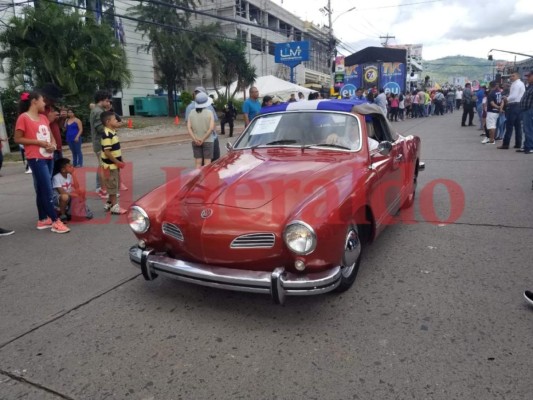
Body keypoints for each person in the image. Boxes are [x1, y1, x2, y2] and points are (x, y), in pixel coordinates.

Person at [13, 91, 70, 233]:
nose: (44, 103)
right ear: (34, 102)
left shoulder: (44, 118)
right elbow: (17, 139)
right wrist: (38, 142)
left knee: (41, 189)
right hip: (36, 158)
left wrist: (52, 145)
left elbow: (51, 137)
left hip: (48, 157)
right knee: (46, 189)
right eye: (42, 101)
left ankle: (43, 219)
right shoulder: (23, 118)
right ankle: (55, 221)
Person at [100, 111, 127, 214]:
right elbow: (107, 152)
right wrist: (117, 162)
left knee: (113, 184)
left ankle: (109, 203)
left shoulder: (112, 131)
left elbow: (115, 150)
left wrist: (121, 160)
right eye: (115, 119)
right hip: (109, 166)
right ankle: (115, 207)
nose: (117, 121)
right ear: (108, 122)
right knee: (113, 185)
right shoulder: (107, 134)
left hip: (113, 164)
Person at [185, 87, 220, 162]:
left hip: (206, 138)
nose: (197, 94)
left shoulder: (208, 106)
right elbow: (189, 125)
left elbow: (188, 126)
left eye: (199, 93)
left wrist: (195, 139)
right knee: (208, 162)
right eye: (196, 93)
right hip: (205, 139)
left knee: (205, 161)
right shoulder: (190, 108)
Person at [90, 90, 111, 199]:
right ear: (101, 100)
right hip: (101, 143)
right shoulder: (98, 112)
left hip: (100, 143)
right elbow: (100, 128)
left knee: (101, 166)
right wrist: (112, 128)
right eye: (107, 101)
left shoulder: (98, 110)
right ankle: (103, 189)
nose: (108, 103)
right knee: (104, 167)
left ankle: (100, 187)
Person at [52, 157, 87, 222]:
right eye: (70, 166)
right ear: (63, 170)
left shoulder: (69, 175)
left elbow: (77, 188)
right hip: (59, 199)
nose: (72, 167)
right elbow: (62, 192)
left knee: (81, 191)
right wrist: (75, 195)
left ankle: (74, 212)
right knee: (65, 197)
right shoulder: (56, 177)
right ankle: (63, 215)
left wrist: (73, 175)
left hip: (68, 196)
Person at [187, 92, 215, 169]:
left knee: (198, 163)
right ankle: (205, 180)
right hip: (208, 141)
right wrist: (203, 139)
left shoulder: (191, 113)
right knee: (207, 163)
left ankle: (198, 179)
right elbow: (211, 128)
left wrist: (195, 139)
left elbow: (189, 128)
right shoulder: (209, 113)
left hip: (195, 140)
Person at [499, 73, 525, 150]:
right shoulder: (521, 83)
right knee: (518, 126)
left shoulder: (516, 84)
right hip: (519, 105)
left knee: (509, 125)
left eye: (513, 76)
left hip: (513, 105)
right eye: (511, 76)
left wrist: (506, 98)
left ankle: (506, 144)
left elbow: (514, 95)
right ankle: (518, 143)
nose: (511, 77)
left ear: (518, 76)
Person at [518, 70, 533, 154]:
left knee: (529, 129)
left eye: (529, 76)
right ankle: (526, 145)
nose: (527, 78)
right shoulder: (529, 86)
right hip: (525, 110)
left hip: (530, 110)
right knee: (526, 129)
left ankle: (530, 147)